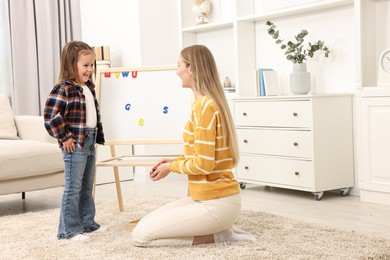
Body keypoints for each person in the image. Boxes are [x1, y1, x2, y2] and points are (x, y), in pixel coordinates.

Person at [131, 44, 256, 247]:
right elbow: (203, 156)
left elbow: (204, 165)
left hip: (216, 204)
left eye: (179, 65)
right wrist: (173, 161)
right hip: (208, 200)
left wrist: (170, 167)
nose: (177, 71)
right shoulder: (206, 104)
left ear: (191, 68)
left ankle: (218, 235)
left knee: (140, 237)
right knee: (143, 224)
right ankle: (222, 228)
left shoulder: (206, 107)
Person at [43, 40, 105, 241]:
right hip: (75, 144)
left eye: (92, 65)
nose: (90, 70)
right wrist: (65, 136)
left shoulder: (88, 86)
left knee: (87, 186)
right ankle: (69, 230)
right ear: (72, 64)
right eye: (85, 65)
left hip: (89, 140)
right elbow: (50, 116)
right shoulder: (64, 88)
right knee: (73, 187)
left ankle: (87, 223)